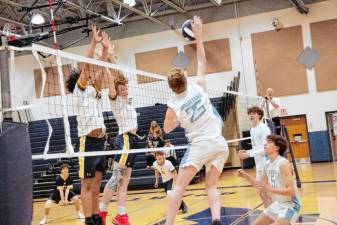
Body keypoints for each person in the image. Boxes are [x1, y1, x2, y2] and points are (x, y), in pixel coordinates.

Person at [163, 16, 229, 225]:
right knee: (211, 185)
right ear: (184, 77)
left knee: (178, 188)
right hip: (220, 144)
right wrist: (198, 36)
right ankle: (217, 219)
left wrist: (176, 121)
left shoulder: (173, 104)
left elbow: (166, 129)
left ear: (171, 86)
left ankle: (169, 223)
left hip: (200, 146)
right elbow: (201, 60)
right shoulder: (198, 86)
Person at [98, 37, 145, 225]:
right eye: (122, 87)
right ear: (116, 90)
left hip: (133, 141)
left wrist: (111, 55)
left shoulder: (127, 98)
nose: (124, 89)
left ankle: (122, 216)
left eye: (125, 87)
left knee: (125, 180)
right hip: (124, 139)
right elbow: (112, 77)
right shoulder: (114, 98)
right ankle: (101, 213)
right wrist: (104, 58)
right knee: (117, 178)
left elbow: (120, 74)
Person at [66, 24, 108, 225]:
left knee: (98, 182)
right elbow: (87, 66)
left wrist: (106, 50)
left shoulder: (93, 91)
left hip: (101, 142)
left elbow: (99, 70)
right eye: (86, 77)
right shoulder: (79, 92)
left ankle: (96, 216)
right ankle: (89, 220)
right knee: (87, 183)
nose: (90, 78)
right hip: (88, 142)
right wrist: (93, 42)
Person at [238, 134, 301, 225]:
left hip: (290, 206)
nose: (265, 144)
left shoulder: (283, 164)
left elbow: (291, 191)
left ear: (277, 147)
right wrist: (246, 176)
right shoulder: (267, 164)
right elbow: (261, 185)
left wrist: (269, 189)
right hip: (278, 204)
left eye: (269, 142)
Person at [238, 106, 271, 206]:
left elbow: (266, 148)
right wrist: (245, 152)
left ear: (259, 115)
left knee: (266, 191)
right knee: (261, 191)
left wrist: (248, 154)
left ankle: (275, 214)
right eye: (249, 113)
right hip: (259, 164)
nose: (251, 115)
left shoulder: (263, 129)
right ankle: (270, 213)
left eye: (253, 113)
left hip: (267, 162)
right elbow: (257, 148)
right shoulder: (253, 129)